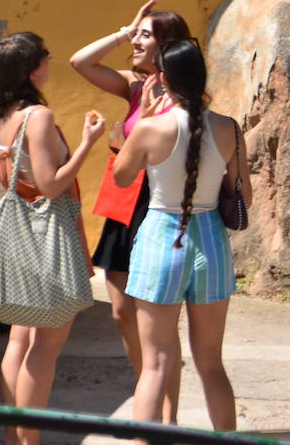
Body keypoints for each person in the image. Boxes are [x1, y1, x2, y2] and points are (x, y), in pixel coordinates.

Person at [113, 39, 253, 431]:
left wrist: (144, 117)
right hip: (210, 238)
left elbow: (122, 178)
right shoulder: (228, 128)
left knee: (155, 365)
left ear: (162, 79)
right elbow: (246, 195)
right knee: (211, 363)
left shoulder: (150, 127)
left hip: (161, 237)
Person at [68, 0, 190, 422]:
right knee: (121, 312)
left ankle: (166, 416)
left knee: (154, 320)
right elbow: (79, 62)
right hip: (125, 201)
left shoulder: (183, 94)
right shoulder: (135, 86)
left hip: (159, 203)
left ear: (166, 44)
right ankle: (149, 395)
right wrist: (125, 29)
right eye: (135, 35)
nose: (135, 41)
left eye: (144, 35)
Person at [0, 32, 104, 445]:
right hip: (46, 233)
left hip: (16, 233)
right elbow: (51, 185)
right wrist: (86, 145)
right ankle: (29, 439)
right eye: (45, 59)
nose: (50, 65)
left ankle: (13, 437)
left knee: (20, 337)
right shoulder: (37, 116)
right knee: (46, 344)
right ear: (32, 69)